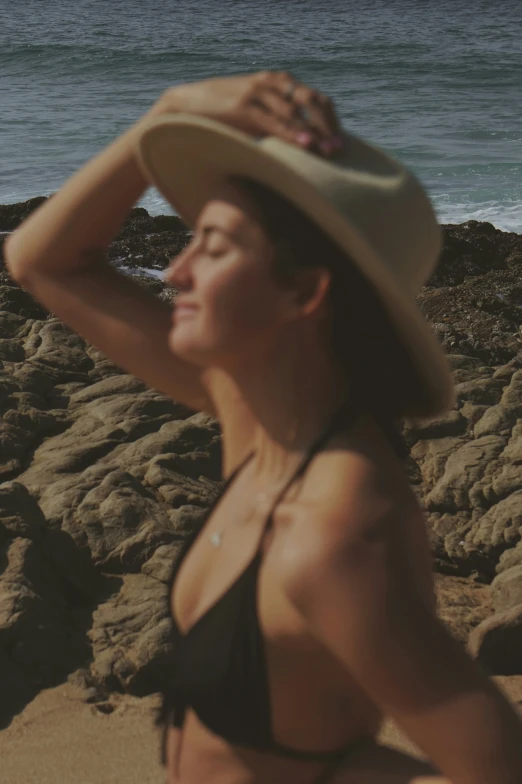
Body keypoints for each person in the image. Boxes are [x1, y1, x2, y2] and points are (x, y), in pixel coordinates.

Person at [5, 71, 522, 784]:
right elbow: (43, 260)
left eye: (212, 247)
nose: (173, 270)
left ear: (307, 291)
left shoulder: (339, 531)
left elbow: (493, 764)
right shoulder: (257, 415)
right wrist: (168, 110)